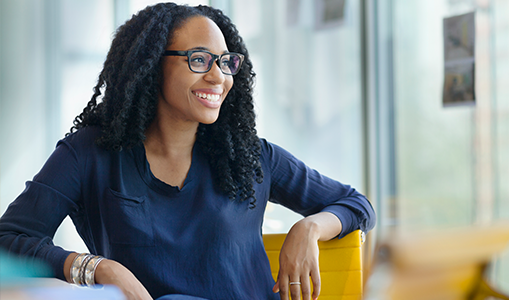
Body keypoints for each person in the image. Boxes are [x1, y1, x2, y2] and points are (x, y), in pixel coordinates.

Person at [0, 3, 375, 300]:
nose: (218, 77)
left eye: (227, 63)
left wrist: (308, 228)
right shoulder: (90, 154)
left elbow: (356, 204)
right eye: (199, 59)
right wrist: (99, 268)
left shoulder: (250, 156)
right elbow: (9, 240)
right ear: (149, 67)